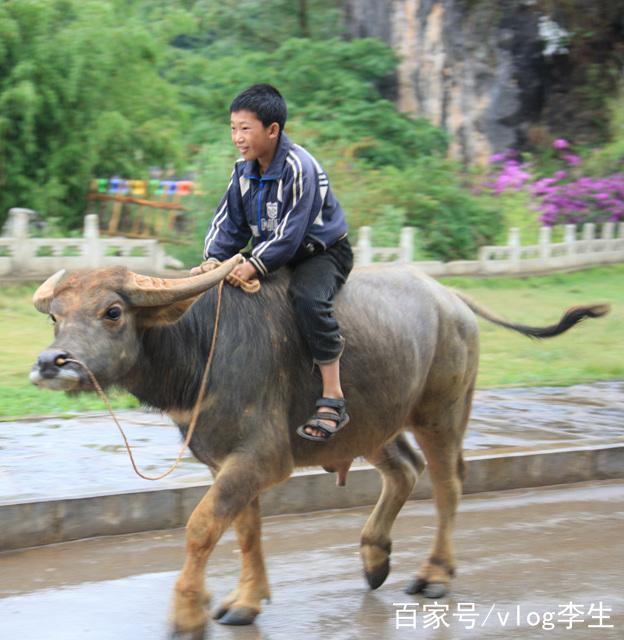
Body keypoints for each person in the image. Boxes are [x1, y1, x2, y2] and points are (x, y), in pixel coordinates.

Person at [191, 83, 353, 442]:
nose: (237, 137)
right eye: (233, 128)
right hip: (273, 251)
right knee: (216, 295)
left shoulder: (300, 167)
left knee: (309, 300)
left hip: (319, 252)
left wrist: (250, 267)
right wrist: (214, 261)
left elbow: (292, 234)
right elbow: (228, 222)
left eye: (245, 128)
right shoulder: (243, 172)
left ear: (272, 130)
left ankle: (333, 396)